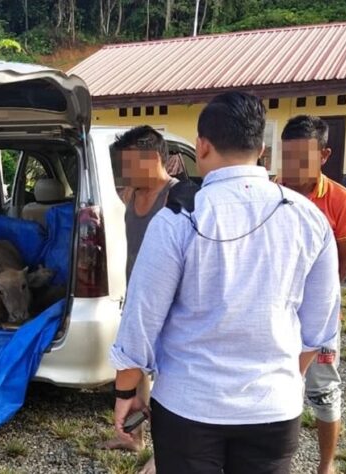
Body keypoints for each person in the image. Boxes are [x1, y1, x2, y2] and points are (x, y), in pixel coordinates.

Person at [109, 91, 341, 473]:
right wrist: (278, 378)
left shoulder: (179, 218)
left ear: (202, 146)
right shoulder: (308, 218)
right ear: (262, 148)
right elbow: (318, 329)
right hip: (274, 409)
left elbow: (141, 318)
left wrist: (125, 391)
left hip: (189, 407)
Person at [105, 126, 198, 474]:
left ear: (154, 159)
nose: (123, 173)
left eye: (129, 165)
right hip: (137, 296)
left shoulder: (178, 198)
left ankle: (165, 457)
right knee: (136, 369)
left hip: (171, 304)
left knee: (168, 384)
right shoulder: (131, 192)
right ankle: (134, 437)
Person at [281, 115, 346, 474]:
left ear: (325, 155)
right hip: (275, 314)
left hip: (320, 318)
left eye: (304, 157)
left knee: (324, 393)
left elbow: (342, 269)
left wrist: (313, 304)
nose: (293, 167)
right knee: (276, 389)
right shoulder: (272, 191)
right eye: (287, 157)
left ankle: (326, 464)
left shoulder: (344, 202)